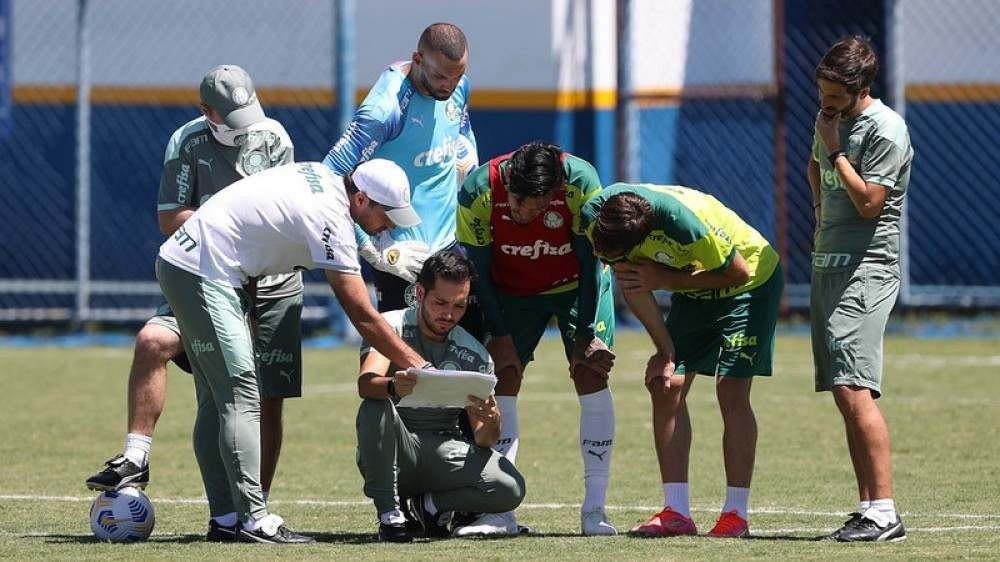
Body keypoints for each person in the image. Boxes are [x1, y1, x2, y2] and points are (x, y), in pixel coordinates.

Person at [155, 159, 430, 543]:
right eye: (387, 214)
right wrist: (420, 365)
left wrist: (246, 304)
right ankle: (252, 519)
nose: (391, 224)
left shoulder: (322, 178)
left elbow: (249, 234)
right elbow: (362, 315)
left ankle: (226, 518)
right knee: (241, 393)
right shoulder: (331, 215)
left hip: (194, 266)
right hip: (203, 271)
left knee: (214, 400)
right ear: (363, 199)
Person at [86, 64, 302, 533]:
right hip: (206, 281)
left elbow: (287, 215)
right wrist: (231, 226)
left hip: (269, 286)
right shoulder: (186, 143)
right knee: (153, 342)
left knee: (264, 401)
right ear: (207, 112)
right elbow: (170, 219)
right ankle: (137, 456)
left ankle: (250, 510)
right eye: (232, 117)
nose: (244, 127)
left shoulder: (275, 138)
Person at [582, 183, 784, 539]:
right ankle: (677, 512)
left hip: (749, 281)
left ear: (643, 236)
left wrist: (664, 278)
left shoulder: (684, 226)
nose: (606, 261)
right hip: (692, 285)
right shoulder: (599, 216)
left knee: (731, 390)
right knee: (666, 386)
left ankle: (735, 515)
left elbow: (736, 272)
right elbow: (633, 286)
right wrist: (665, 352)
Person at [455, 142, 617, 536]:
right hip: (511, 292)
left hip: (578, 286)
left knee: (590, 372)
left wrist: (584, 337)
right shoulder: (478, 190)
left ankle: (595, 511)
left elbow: (589, 261)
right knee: (503, 375)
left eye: (539, 206)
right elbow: (479, 266)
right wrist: (501, 333)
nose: (525, 213)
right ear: (509, 181)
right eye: (518, 203)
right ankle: (500, 511)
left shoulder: (582, 182)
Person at [809, 36, 912, 543]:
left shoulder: (887, 129)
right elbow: (813, 167)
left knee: (854, 385)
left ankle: (886, 512)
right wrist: (817, 217)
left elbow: (870, 201)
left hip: (867, 267)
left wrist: (836, 150)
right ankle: (869, 507)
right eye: (822, 90)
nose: (825, 102)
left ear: (861, 88)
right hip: (828, 264)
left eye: (834, 94)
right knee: (843, 391)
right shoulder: (827, 120)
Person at [355, 250, 525, 542]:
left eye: (459, 306)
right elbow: (366, 384)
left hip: (445, 450)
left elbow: (484, 439)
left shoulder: (475, 353)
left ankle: (431, 506)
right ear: (420, 292)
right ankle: (390, 514)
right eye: (440, 303)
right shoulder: (390, 326)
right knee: (374, 406)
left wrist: (492, 422)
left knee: (510, 487)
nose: (448, 315)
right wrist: (393, 386)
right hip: (395, 448)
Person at [323, 22, 480, 328]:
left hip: (452, 246)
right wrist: (373, 250)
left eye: (457, 76)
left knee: (469, 358)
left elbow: (463, 135)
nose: (449, 85)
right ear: (418, 60)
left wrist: (468, 163)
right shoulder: (384, 111)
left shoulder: (458, 86)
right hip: (403, 258)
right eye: (440, 76)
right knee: (403, 366)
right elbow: (328, 177)